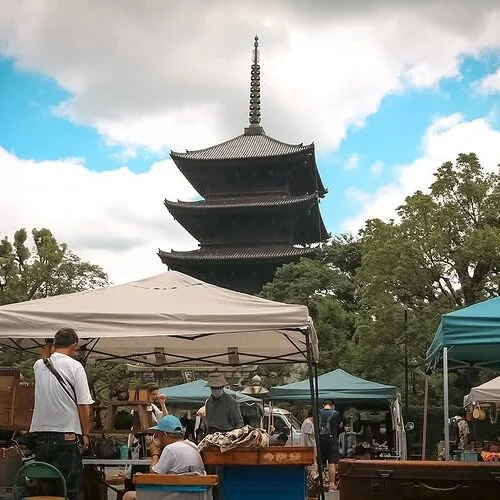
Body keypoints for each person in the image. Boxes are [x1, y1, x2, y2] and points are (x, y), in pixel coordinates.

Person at [30, 328, 94, 500]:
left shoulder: (39, 366)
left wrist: (48, 344)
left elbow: (43, 357)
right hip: (66, 434)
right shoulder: (75, 366)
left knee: (47, 488)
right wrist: (86, 433)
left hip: (41, 434)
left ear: (54, 344)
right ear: (74, 346)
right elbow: (83, 405)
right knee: (71, 487)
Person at [123, 415, 206, 500]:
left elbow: (154, 477)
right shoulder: (193, 446)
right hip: (196, 494)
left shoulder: (170, 449)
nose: (157, 437)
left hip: (178, 495)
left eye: (158, 434)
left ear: (164, 435)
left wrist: (155, 453)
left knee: (128, 495)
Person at [318, 400, 341, 492]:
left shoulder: (318, 412)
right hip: (332, 440)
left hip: (320, 440)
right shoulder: (336, 414)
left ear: (323, 405)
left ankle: (320, 482)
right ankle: (331, 484)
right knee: (331, 462)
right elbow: (340, 425)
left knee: (321, 463)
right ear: (333, 406)